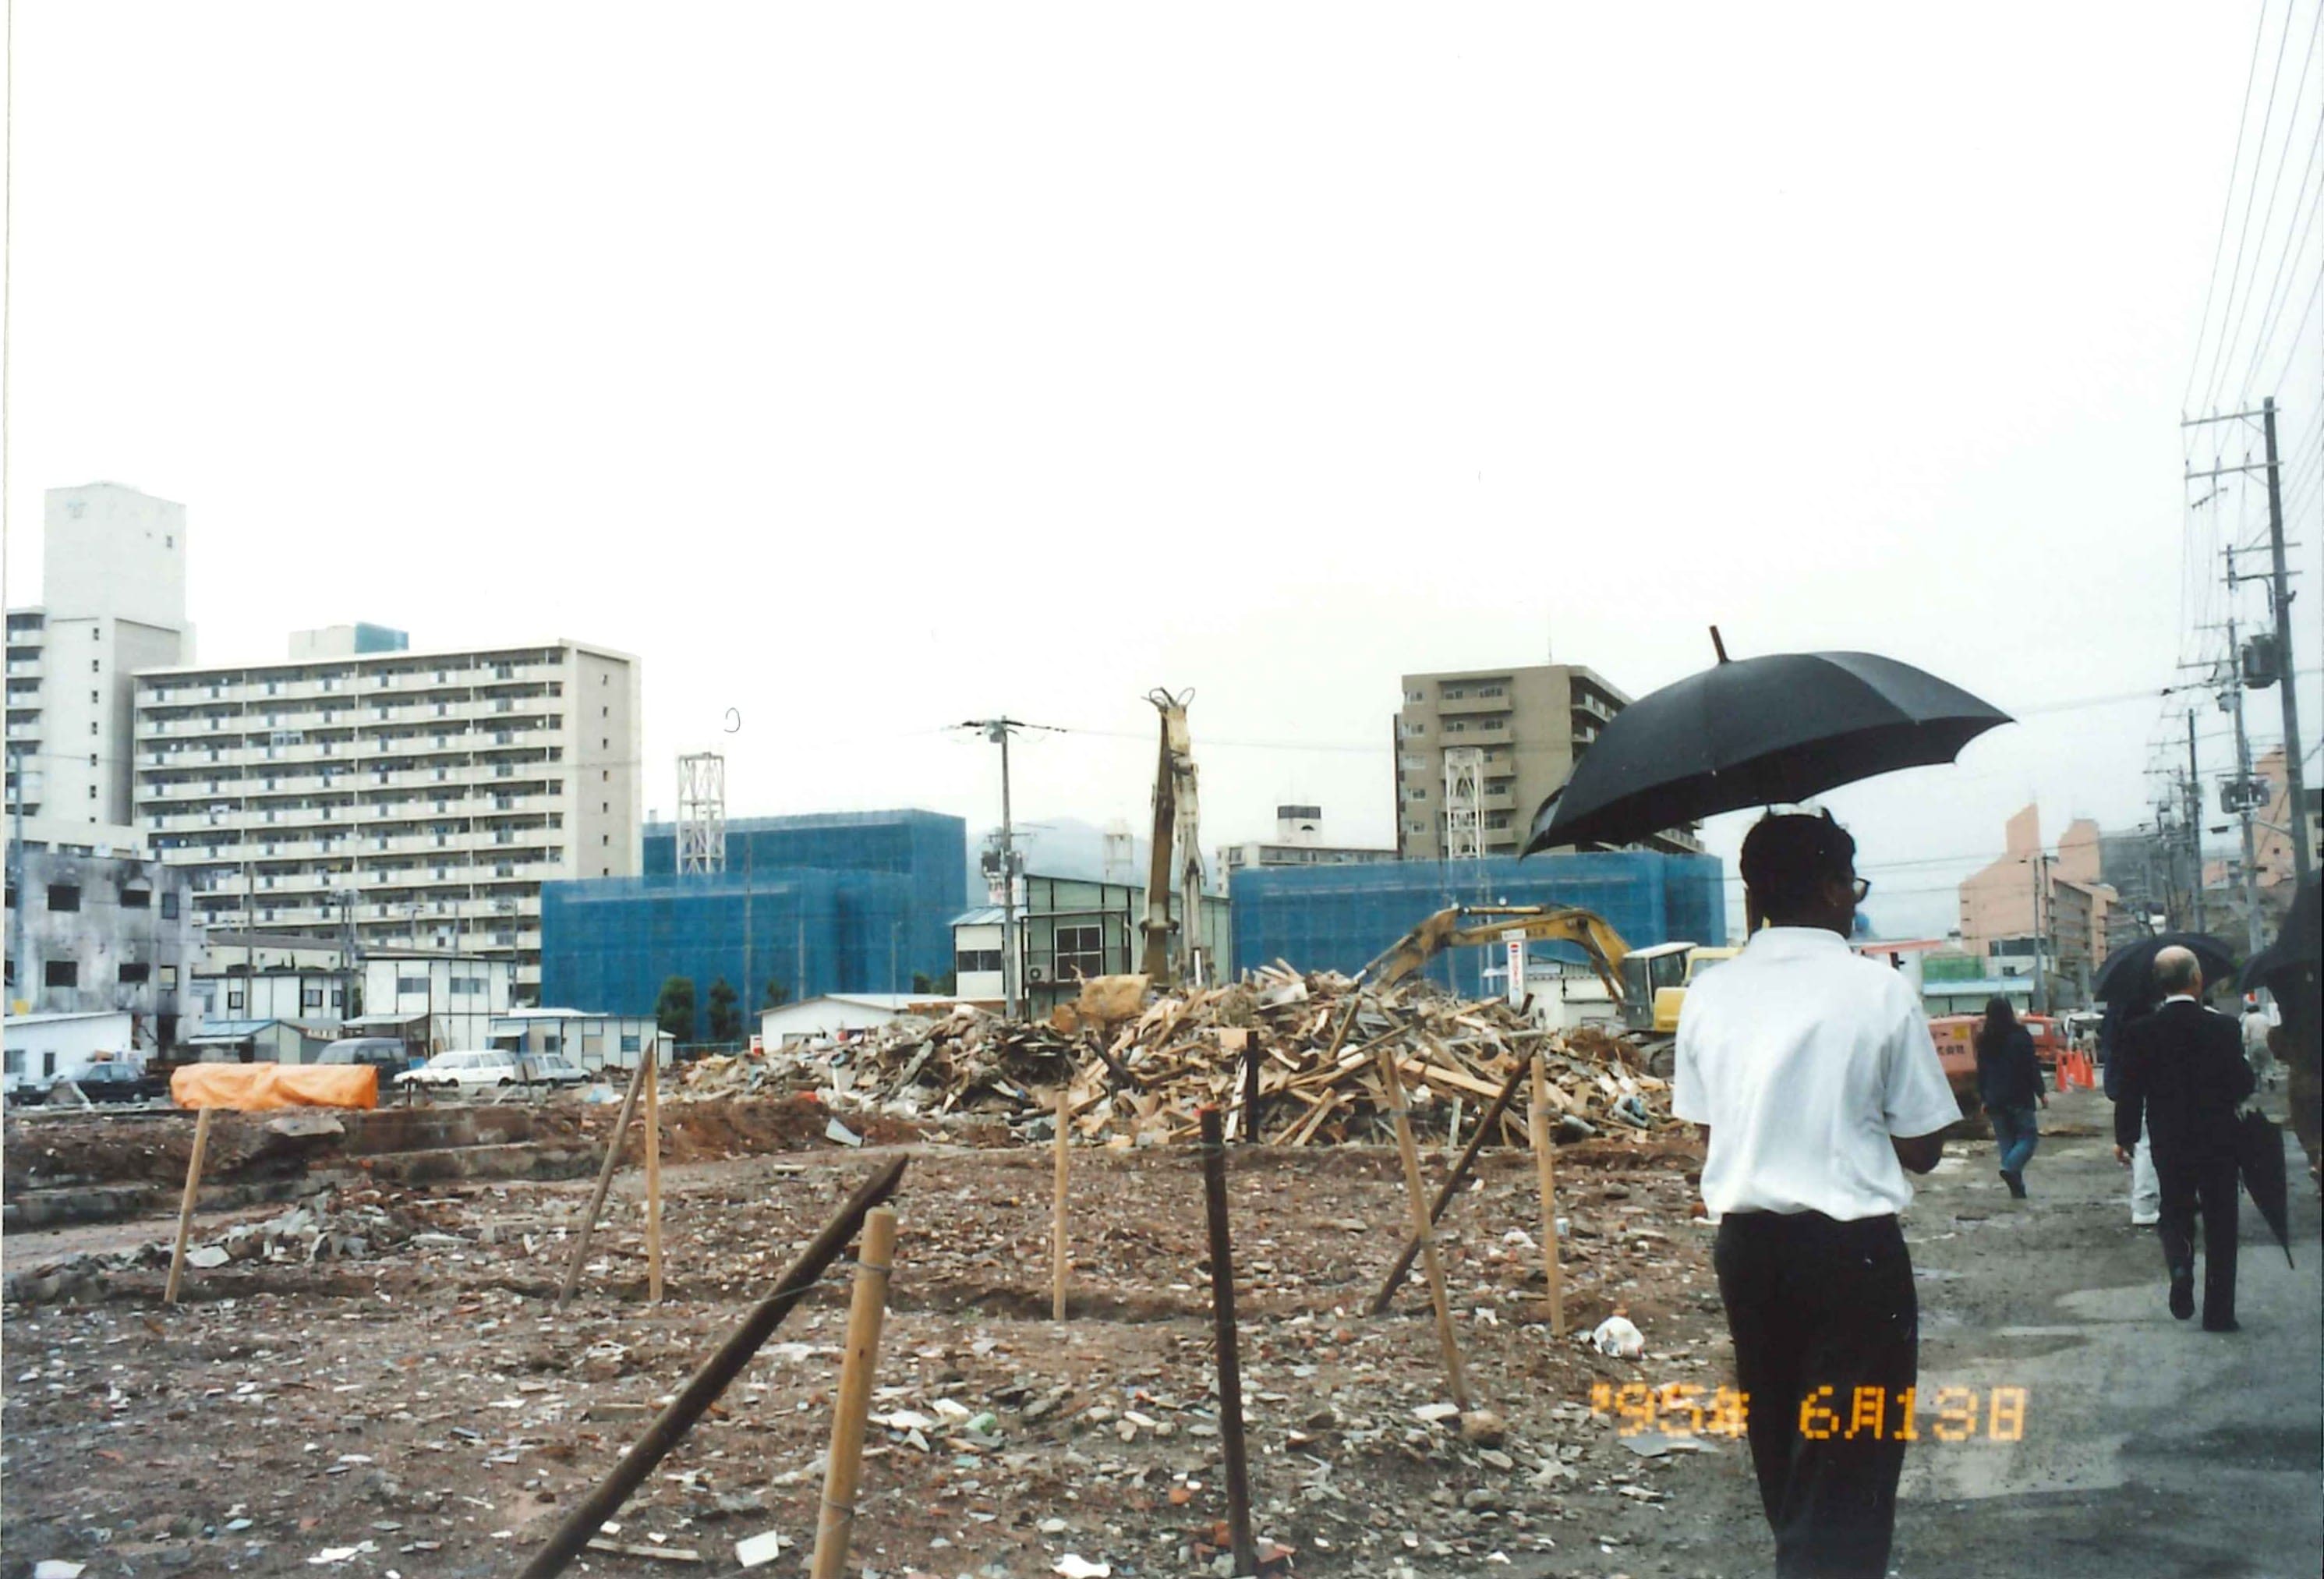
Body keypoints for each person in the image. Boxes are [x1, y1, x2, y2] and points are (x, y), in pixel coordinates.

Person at [1674, 810, 1961, 1578]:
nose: (1852, 898)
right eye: (1851, 882)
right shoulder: (1877, 990)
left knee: (1781, 1443)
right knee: (1854, 1456)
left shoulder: (1707, 994)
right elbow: (1924, 1148)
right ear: (1833, 888)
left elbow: (1709, 1136)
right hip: (1851, 1259)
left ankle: (1801, 1559)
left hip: (1746, 1253)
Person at [2113, 946, 2254, 1332]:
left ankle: (2179, 1262)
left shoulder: (2141, 1032)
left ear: (2160, 986)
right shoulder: (2224, 1028)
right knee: (2222, 1220)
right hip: (2219, 1140)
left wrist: (2124, 1137)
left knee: (2174, 1209)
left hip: (2168, 1140)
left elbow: (2130, 1091)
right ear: (2196, 979)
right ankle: (2219, 1313)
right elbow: (2244, 1084)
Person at [1975, 996, 2046, 1198]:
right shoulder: (2020, 1036)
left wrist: (1983, 1097)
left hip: (1995, 1098)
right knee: (2028, 1138)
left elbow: (1981, 1071)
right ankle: (2011, 1168)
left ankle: (2017, 1188)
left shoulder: (1984, 1039)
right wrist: (2040, 1092)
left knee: (2006, 1141)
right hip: (2019, 1095)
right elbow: (2031, 1066)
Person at [2101, 993, 2163, 1226]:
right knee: (2146, 1142)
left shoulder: (2113, 1015)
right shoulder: (2142, 1020)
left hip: (2124, 1082)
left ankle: (2146, 1201)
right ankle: (2145, 1203)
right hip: (2145, 1083)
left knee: (2139, 1141)